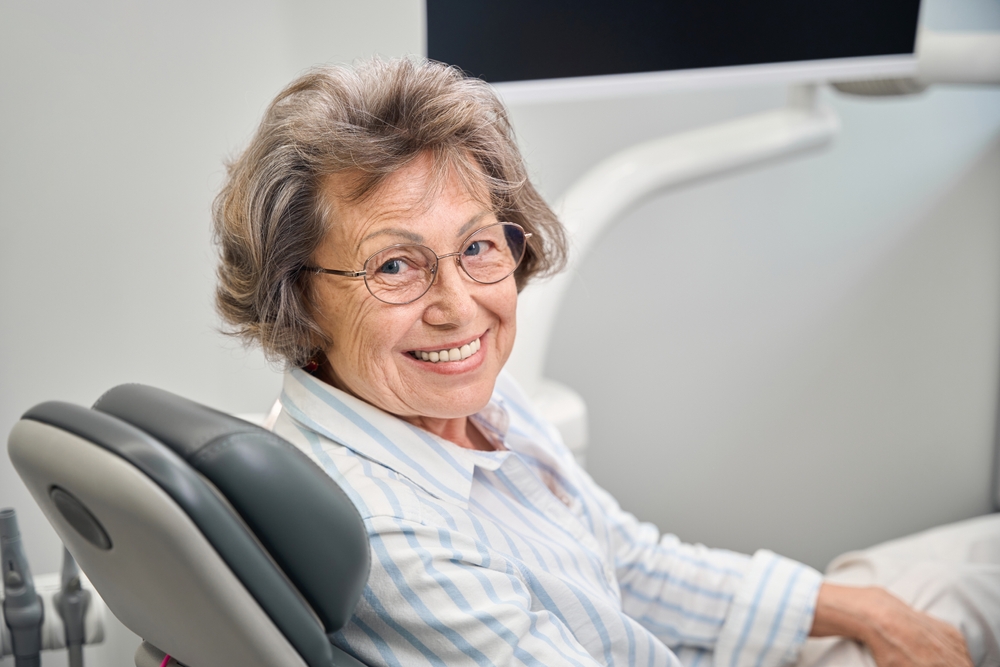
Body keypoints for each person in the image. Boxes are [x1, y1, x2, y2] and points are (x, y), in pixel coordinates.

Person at [212, 58, 999, 666]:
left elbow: (625, 559)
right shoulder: (388, 534)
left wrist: (864, 610)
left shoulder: (449, 396)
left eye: (479, 247)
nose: (459, 305)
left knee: (943, 579)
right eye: (395, 266)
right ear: (299, 296)